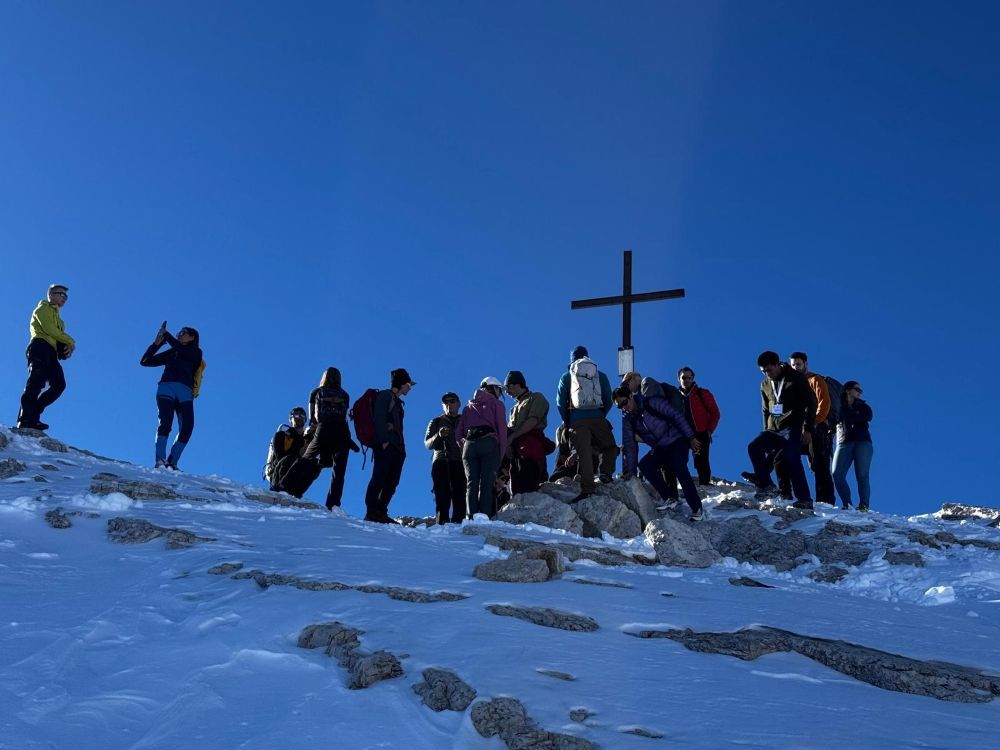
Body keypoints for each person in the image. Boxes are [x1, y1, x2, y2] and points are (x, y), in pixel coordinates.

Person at [614, 385, 704, 521]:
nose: (623, 408)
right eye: (619, 407)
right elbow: (629, 444)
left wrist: (690, 437)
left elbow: (676, 416)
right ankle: (669, 498)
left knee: (679, 468)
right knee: (645, 465)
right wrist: (630, 470)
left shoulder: (652, 402)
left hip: (676, 440)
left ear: (631, 396)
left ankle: (697, 508)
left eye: (624, 403)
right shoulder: (628, 419)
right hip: (660, 447)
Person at [746, 350, 816, 509]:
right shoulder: (764, 384)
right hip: (773, 429)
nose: (767, 374)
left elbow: (811, 403)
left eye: (769, 370)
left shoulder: (796, 378)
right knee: (753, 447)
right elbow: (765, 409)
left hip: (793, 426)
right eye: (763, 372)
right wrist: (766, 430)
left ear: (778, 365)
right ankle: (767, 486)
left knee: (792, 458)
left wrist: (808, 429)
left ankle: (805, 499)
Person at [556, 346, 617, 502]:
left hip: (577, 420)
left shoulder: (566, 376)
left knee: (584, 454)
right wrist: (601, 415)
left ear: (572, 360)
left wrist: (568, 420)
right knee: (609, 446)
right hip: (598, 417)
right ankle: (605, 473)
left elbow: (560, 402)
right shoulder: (599, 375)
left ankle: (588, 490)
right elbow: (608, 399)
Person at [140, 322, 202, 469]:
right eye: (179, 332)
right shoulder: (172, 352)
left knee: (187, 428)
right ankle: (160, 460)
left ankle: (172, 462)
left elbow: (181, 349)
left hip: (185, 392)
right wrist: (157, 344)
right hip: (166, 388)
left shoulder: (196, 352)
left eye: (183, 332)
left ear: (192, 337)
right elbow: (145, 361)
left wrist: (165, 335)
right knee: (165, 423)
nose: (179, 334)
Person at [779, 353, 835, 505]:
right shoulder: (792, 384)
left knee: (819, 462)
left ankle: (826, 501)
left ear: (805, 364)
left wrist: (814, 423)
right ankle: (786, 493)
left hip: (817, 427)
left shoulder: (815, 379)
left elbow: (824, 403)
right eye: (793, 365)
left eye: (798, 364)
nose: (795, 367)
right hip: (798, 427)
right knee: (785, 456)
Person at [17, 284, 75, 430]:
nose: (64, 299)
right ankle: (25, 420)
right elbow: (49, 329)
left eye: (66, 296)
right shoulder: (42, 308)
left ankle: (34, 415)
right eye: (61, 295)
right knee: (36, 382)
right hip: (39, 346)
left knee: (59, 385)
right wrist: (71, 341)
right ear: (51, 295)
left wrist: (66, 348)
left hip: (51, 353)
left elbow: (58, 337)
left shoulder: (61, 321)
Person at [302, 367, 358, 510]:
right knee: (339, 471)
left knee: (306, 459)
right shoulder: (345, 395)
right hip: (342, 432)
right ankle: (333, 504)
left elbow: (313, 418)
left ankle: (288, 487)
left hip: (323, 428)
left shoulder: (316, 392)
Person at [364, 368, 414, 523]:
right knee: (379, 477)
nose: (409, 388)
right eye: (408, 385)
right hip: (386, 445)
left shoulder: (398, 402)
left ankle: (381, 511)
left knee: (392, 481)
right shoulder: (385, 396)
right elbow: (379, 418)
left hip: (397, 448)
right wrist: (384, 440)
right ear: (401, 383)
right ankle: (372, 511)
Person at [456, 377, 508, 518]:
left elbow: (458, 434)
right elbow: (502, 431)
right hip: (488, 443)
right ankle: (483, 516)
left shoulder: (468, 407)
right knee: (486, 482)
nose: (499, 393)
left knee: (471, 483)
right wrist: (500, 454)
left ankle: (471, 516)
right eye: (498, 389)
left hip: (469, 445)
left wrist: (465, 446)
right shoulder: (497, 404)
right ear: (493, 388)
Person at [503, 370, 551, 495]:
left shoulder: (536, 397)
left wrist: (512, 436)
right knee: (516, 489)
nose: (506, 392)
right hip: (516, 453)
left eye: (507, 387)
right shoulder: (513, 409)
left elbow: (533, 420)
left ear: (515, 384)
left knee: (532, 485)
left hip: (531, 448)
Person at [424, 392, 467, 524]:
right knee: (441, 494)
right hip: (441, 460)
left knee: (460, 494)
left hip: (460, 461)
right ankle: (441, 523)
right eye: (446, 402)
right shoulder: (436, 421)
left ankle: (458, 523)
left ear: (458, 403)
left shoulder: (465, 420)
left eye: (452, 401)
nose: (449, 404)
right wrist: (439, 435)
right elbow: (427, 444)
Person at [832, 381, 874, 511]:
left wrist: (848, 416)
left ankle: (864, 505)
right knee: (836, 474)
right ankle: (847, 504)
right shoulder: (839, 406)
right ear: (848, 390)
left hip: (863, 442)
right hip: (844, 441)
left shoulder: (863, 406)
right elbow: (833, 419)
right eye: (857, 389)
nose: (859, 393)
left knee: (862, 474)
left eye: (860, 391)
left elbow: (867, 416)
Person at [677, 367, 721, 486]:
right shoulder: (676, 397)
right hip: (683, 434)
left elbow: (715, 413)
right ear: (679, 379)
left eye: (689, 378)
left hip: (701, 432)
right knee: (679, 459)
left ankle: (705, 485)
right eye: (683, 377)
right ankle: (682, 485)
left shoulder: (702, 393)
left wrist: (709, 431)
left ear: (693, 379)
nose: (686, 380)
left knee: (701, 461)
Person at [265, 407, 308, 491]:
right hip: (276, 471)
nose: (298, 417)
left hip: (294, 472)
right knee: (290, 458)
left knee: (314, 465)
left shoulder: (305, 441)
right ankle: (278, 488)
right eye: (295, 415)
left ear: (305, 419)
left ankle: (296, 494)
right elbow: (280, 457)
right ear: (290, 419)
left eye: (301, 415)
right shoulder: (282, 435)